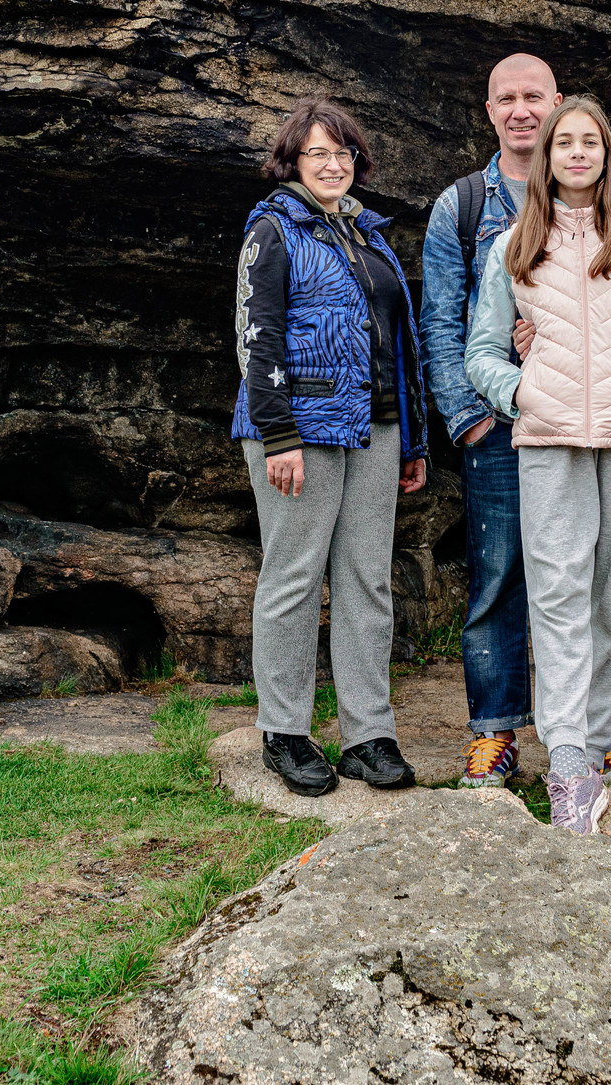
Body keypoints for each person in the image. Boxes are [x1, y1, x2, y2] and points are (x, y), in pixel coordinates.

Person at [465, 96, 611, 834]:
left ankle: (591, 737)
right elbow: (480, 350)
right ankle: (568, 766)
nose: (578, 153)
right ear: (547, 156)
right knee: (556, 591)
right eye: (565, 143)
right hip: (549, 436)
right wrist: (519, 391)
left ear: (608, 154)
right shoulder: (515, 243)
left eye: (591, 141)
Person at [232, 96, 430, 797]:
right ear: (293, 161)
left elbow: (397, 346)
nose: (333, 163)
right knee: (293, 576)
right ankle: (283, 732)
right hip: (299, 431)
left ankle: (368, 735)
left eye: (343, 152)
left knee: (366, 580)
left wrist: (412, 436)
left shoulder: (368, 235)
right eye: (318, 152)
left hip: (376, 428)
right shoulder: (274, 229)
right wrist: (278, 432)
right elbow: (256, 337)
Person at [420, 55, 561, 789]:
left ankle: (597, 732)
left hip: (580, 418)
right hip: (497, 422)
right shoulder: (462, 206)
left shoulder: (594, 190)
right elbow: (440, 321)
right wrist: (469, 419)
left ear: (557, 101)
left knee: (592, 578)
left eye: (533, 96)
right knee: (498, 576)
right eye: (506, 97)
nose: (521, 110)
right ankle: (495, 733)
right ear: (488, 109)